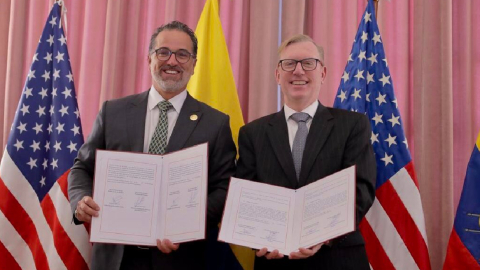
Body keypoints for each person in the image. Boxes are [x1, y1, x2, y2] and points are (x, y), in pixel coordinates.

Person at [68, 21, 236, 270]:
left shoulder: (216, 123)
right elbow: (82, 167)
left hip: (181, 258)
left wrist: (183, 224)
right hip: (116, 258)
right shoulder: (113, 112)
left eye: (182, 54)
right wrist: (80, 200)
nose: (172, 61)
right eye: (163, 52)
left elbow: (224, 189)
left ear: (193, 64)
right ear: (149, 59)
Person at [235, 34, 376, 270]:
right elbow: (246, 196)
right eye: (289, 63)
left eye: (308, 63)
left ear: (322, 73)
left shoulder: (353, 125)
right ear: (278, 75)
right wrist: (258, 239)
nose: (298, 71)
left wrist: (324, 235)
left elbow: (361, 189)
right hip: (275, 260)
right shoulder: (252, 133)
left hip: (338, 258)